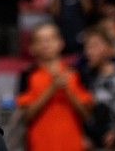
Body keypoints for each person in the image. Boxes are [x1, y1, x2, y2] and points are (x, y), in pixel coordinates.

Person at [16, 22, 92, 151]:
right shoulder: (27, 75)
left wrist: (67, 89)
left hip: (72, 143)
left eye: (50, 39)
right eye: (40, 40)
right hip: (39, 145)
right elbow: (26, 116)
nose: (46, 44)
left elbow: (86, 115)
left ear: (61, 43)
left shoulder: (76, 72)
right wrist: (52, 88)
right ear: (32, 48)